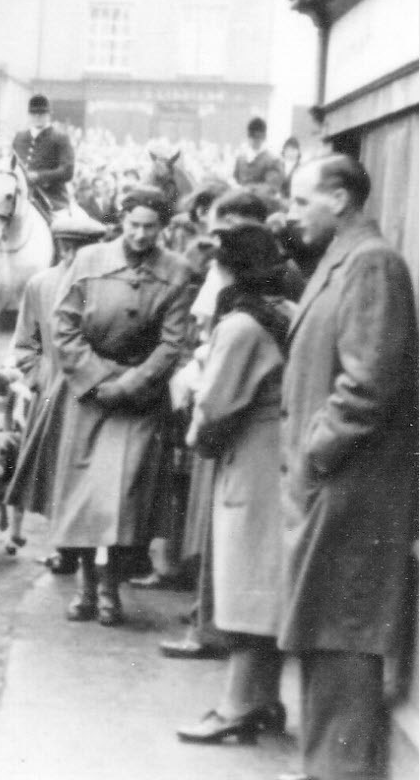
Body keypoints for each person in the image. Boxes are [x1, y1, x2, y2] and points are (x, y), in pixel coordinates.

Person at [277, 154, 417, 780]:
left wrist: (316, 447)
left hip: (353, 492)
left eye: (301, 200)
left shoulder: (372, 265)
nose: (293, 211)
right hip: (333, 488)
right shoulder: (346, 260)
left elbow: (368, 383)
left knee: (342, 637)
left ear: (338, 198)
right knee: (325, 635)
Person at [50, 186, 193, 626]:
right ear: (121, 221)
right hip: (89, 397)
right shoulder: (89, 261)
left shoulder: (177, 272)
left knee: (125, 497)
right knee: (84, 496)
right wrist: (97, 379)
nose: (141, 235)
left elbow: (173, 343)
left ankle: (111, 587)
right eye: (134, 225)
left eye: (151, 227)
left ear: (163, 228)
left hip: (139, 400)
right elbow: (64, 327)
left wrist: (131, 383)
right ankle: (85, 588)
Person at [175, 223, 294, 744]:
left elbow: (215, 404)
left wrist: (195, 425)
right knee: (267, 579)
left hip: (251, 457)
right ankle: (265, 698)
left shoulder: (240, 326)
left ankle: (236, 705)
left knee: (244, 578)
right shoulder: (286, 312)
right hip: (284, 455)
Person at [3, 213, 109, 560]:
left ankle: (91, 550)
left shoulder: (107, 286)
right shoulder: (41, 285)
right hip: (53, 392)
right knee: (54, 470)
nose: (74, 255)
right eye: (68, 247)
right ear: (60, 247)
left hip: (95, 391)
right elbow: (24, 344)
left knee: (91, 472)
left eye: (83, 248)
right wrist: (39, 377)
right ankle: (63, 548)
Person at [12, 94, 75, 214]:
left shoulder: (60, 137)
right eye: (33, 114)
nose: (37, 117)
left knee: (61, 227)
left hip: (51, 198)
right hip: (21, 196)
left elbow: (68, 171)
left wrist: (39, 176)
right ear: (29, 115)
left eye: (41, 114)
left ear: (48, 115)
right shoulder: (19, 137)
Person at [232, 117, 283, 201]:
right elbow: (236, 179)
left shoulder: (273, 161)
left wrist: (248, 190)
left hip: (261, 205)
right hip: (240, 203)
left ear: (263, 138)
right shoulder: (240, 159)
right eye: (252, 137)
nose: (255, 141)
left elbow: (271, 187)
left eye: (258, 138)